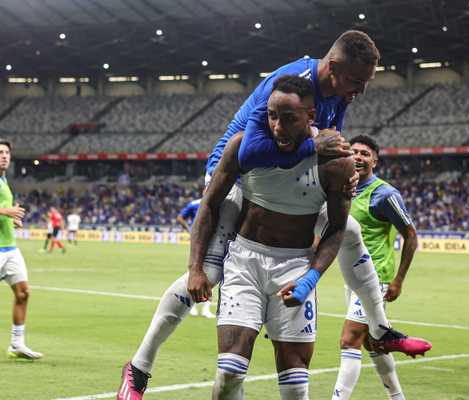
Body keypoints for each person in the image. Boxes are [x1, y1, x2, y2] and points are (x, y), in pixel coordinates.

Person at [118, 31, 429, 400]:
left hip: (286, 178)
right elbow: (252, 151)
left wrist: (343, 175)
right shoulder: (284, 89)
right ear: (333, 69)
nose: (359, 91)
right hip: (235, 175)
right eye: (356, 82)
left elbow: (330, 143)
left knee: (347, 227)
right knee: (209, 272)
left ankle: (380, 330)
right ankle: (139, 369)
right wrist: (314, 145)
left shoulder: (334, 93)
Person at [188, 75, 356, 400]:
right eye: (272, 115)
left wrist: (309, 280)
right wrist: (195, 267)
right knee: (227, 376)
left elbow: (337, 228)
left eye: (289, 118)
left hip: (294, 267)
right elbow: (209, 203)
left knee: (295, 388)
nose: (278, 126)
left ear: (311, 116)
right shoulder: (244, 147)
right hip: (244, 263)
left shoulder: (335, 162)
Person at [331, 135, 422, 400]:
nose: (358, 157)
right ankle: (397, 397)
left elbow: (410, 235)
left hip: (376, 278)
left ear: (375, 160)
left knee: (350, 340)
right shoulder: (343, 190)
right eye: (353, 152)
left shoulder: (385, 194)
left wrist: (398, 280)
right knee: (375, 343)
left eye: (364, 153)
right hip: (352, 278)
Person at [0, 139, 43, 360]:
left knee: (23, 293)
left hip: (9, 249)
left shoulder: (4, 180)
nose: (4, 156)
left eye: (6, 152)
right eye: (0, 152)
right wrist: (6, 211)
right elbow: (3, 210)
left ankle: (17, 344)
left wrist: (11, 220)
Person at [175, 197, 215, 318]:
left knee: (211, 275)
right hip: (198, 241)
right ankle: (191, 307)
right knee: (194, 272)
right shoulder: (195, 203)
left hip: (214, 241)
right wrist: (189, 229)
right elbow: (180, 217)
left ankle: (206, 309)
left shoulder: (219, 200)